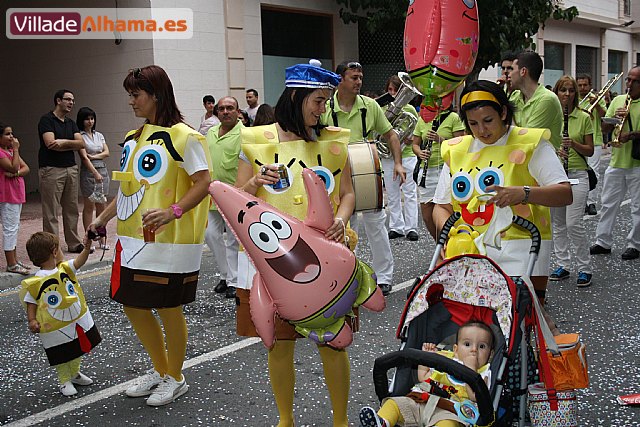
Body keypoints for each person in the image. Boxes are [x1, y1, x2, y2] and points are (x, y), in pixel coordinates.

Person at [235, 63, 355, 426]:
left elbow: (348, 194)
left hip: (326, 258)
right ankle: (285, 420)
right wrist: (256, 180)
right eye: (319, 100)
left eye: (327, 101)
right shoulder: (255, 141)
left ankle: (341, 421)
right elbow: (235, 199)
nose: (323, 109)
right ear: (296, 96)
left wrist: (341, 219)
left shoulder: (334, 141)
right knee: (279, 344)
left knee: (332, 343)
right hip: (270, 261)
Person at [88, 65, 211, 406]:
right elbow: (127, 189)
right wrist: (101, 218)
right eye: (129, 94)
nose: (131, 101)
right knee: (133, 304)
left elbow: (204, 183)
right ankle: (161, 370)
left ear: (156, 95)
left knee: (168, 307)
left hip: (171, 239)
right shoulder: (132, 138)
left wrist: (173, 211)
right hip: (132, 239)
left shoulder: (186, 136)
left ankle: (175, 376)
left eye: (135, 94)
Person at [433, 80, 572, 305]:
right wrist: (450, 235)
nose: (481, 130)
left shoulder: (530, 143)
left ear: (504, 112)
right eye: (473, 123)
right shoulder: (456, 149)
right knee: (473, 328)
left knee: (523, 318)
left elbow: (564, 193)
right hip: (470, 249)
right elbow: (442, 206)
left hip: (524, 246)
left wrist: (524, 193)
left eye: (488, 120)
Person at [321, 60, 406, 296]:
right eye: (354, 77)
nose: (359, 82)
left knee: (376, 225)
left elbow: (391, 135)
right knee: (346, 228)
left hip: (368, 171)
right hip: (338, 175)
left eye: (360, 77)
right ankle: (349, 275)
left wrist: (398, 163)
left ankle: (385, 277)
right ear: (340, 79)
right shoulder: (326, 107)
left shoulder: (370, 106)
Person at [359, 321, 494, 427]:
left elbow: (475, 397)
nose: (474, 350)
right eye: (467, 344)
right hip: (421, 401)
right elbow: (423, 378)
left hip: (450, 411)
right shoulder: (445, 358)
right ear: (456, 349)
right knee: (393, 404)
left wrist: (471, 370)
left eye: (482, 346)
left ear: (490, 355)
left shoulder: (483, 374)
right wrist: (426, 358)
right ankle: (382, 421)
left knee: (449, 424)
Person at [21, 231, 101, 396]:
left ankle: (74, 373)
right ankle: (64, 380)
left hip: (74, 320)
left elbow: (79, 262)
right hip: (54, 327)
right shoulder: (36, 281)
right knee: (61, 352)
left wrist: (87, 248)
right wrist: (32, 320)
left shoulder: (64, 268)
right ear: (54, 252)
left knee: (77, 346)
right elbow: (31, 302)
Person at [590, 66, 640, 260]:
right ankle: (603, 241)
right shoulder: (619, 100)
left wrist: (632, 134)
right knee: (608, 203)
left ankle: (634, 244)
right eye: (628, 80)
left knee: (637, 206)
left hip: (637, 162)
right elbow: (604, 126)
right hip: (617, 160)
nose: (629, 84)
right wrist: (614, 120)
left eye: (634, 81)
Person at [550, 76, 594, 287]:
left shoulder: (583, 117)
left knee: (573, 222)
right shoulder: (551, 117)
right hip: (556, 175)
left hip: (577, 173)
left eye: (571, 91)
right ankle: (563, 265)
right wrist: (555, 149)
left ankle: (585, 268)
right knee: (557, 223)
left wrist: (572, 143)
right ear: (556, 93)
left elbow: (590, 150)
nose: (567, 94)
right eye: (563, 90)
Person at [37, 89, 86, 253]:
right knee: (51, 211)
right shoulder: (46, 120)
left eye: (73, 100)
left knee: (71, 209)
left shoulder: (71, 123)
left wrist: (63, 142)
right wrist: (71, 143)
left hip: (71, 169)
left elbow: (81, 144)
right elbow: (50, 143)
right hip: (51, 170)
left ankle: (74, 243)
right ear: (58, 100)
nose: (71, 103)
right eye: (68, 99)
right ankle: (52, 247)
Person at [205, 96, 242, 299]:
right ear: (216, 112)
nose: (225, 112)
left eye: (230, 108)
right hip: (211, 194)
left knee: (234, 240)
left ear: (238, 112)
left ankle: (234, 281)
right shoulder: (210, 132)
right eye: (221, 109)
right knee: (210, 234)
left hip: (235, 195)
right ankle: (225, 275)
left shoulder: (245, 134)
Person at [412, 108, 465, 241]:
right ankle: (440, 244)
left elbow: (461, 142)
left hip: (445, 168)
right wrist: (420, 153)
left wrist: (440, 139)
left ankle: (450, 243)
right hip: (426, 170)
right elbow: (415, 144)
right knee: (427, 215)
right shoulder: (422, 119)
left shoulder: (452, 117)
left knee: (445, 209)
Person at [383, 74, 420, 242]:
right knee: (392, 193)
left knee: (410, 192)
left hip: (407, 155)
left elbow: (417, 133)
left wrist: (409, 138)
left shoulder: (410, 110)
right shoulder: (383, 108)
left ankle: (411, 227)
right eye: (390, 90)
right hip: (389, 156)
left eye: (395, 90)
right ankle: (396, 227)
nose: (392, 93)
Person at [509, 51, 563, 151]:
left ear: (523, 71)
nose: (509, 74)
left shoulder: (547, 99)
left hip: (543, 164)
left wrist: (509, 115)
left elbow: (526, 139)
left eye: (512, 69)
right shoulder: (515, 96)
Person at [77, 107, 110, 251]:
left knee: (101, 206)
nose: (90, 121)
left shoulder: (99, 135)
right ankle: (88, 239)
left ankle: (102, 239)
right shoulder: (79, 135)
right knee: (89, 206)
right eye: (87, 119)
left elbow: (106, 152)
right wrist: (94, 172)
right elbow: (84, 157)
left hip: (102, 169)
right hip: (89, 172)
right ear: (81, 120)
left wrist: (94, 156)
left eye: (92, 118)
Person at [0, 123, 30, 274]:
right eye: (7, 134)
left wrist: (16, 174)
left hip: (16, 194)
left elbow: (25, 168)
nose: (11, 137)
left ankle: (15, 260)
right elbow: (13, 166)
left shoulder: (11, 151)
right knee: (9, 228)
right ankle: (11, 263)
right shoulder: (1, 153)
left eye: (12, 133)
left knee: (15, 227)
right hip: (7, 195)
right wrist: (17, 150)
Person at [576, 73, 607, 215]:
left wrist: (596, 104)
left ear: (590, 86)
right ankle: (580, 202)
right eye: (580, 85)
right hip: (577, 140)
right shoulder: (573, 99)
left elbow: (604, 117)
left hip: (594, 140)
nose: (582, 88)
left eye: (585, 85)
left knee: (593, 172)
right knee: (578, 172)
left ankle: (591, 202)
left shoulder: (597, 98)